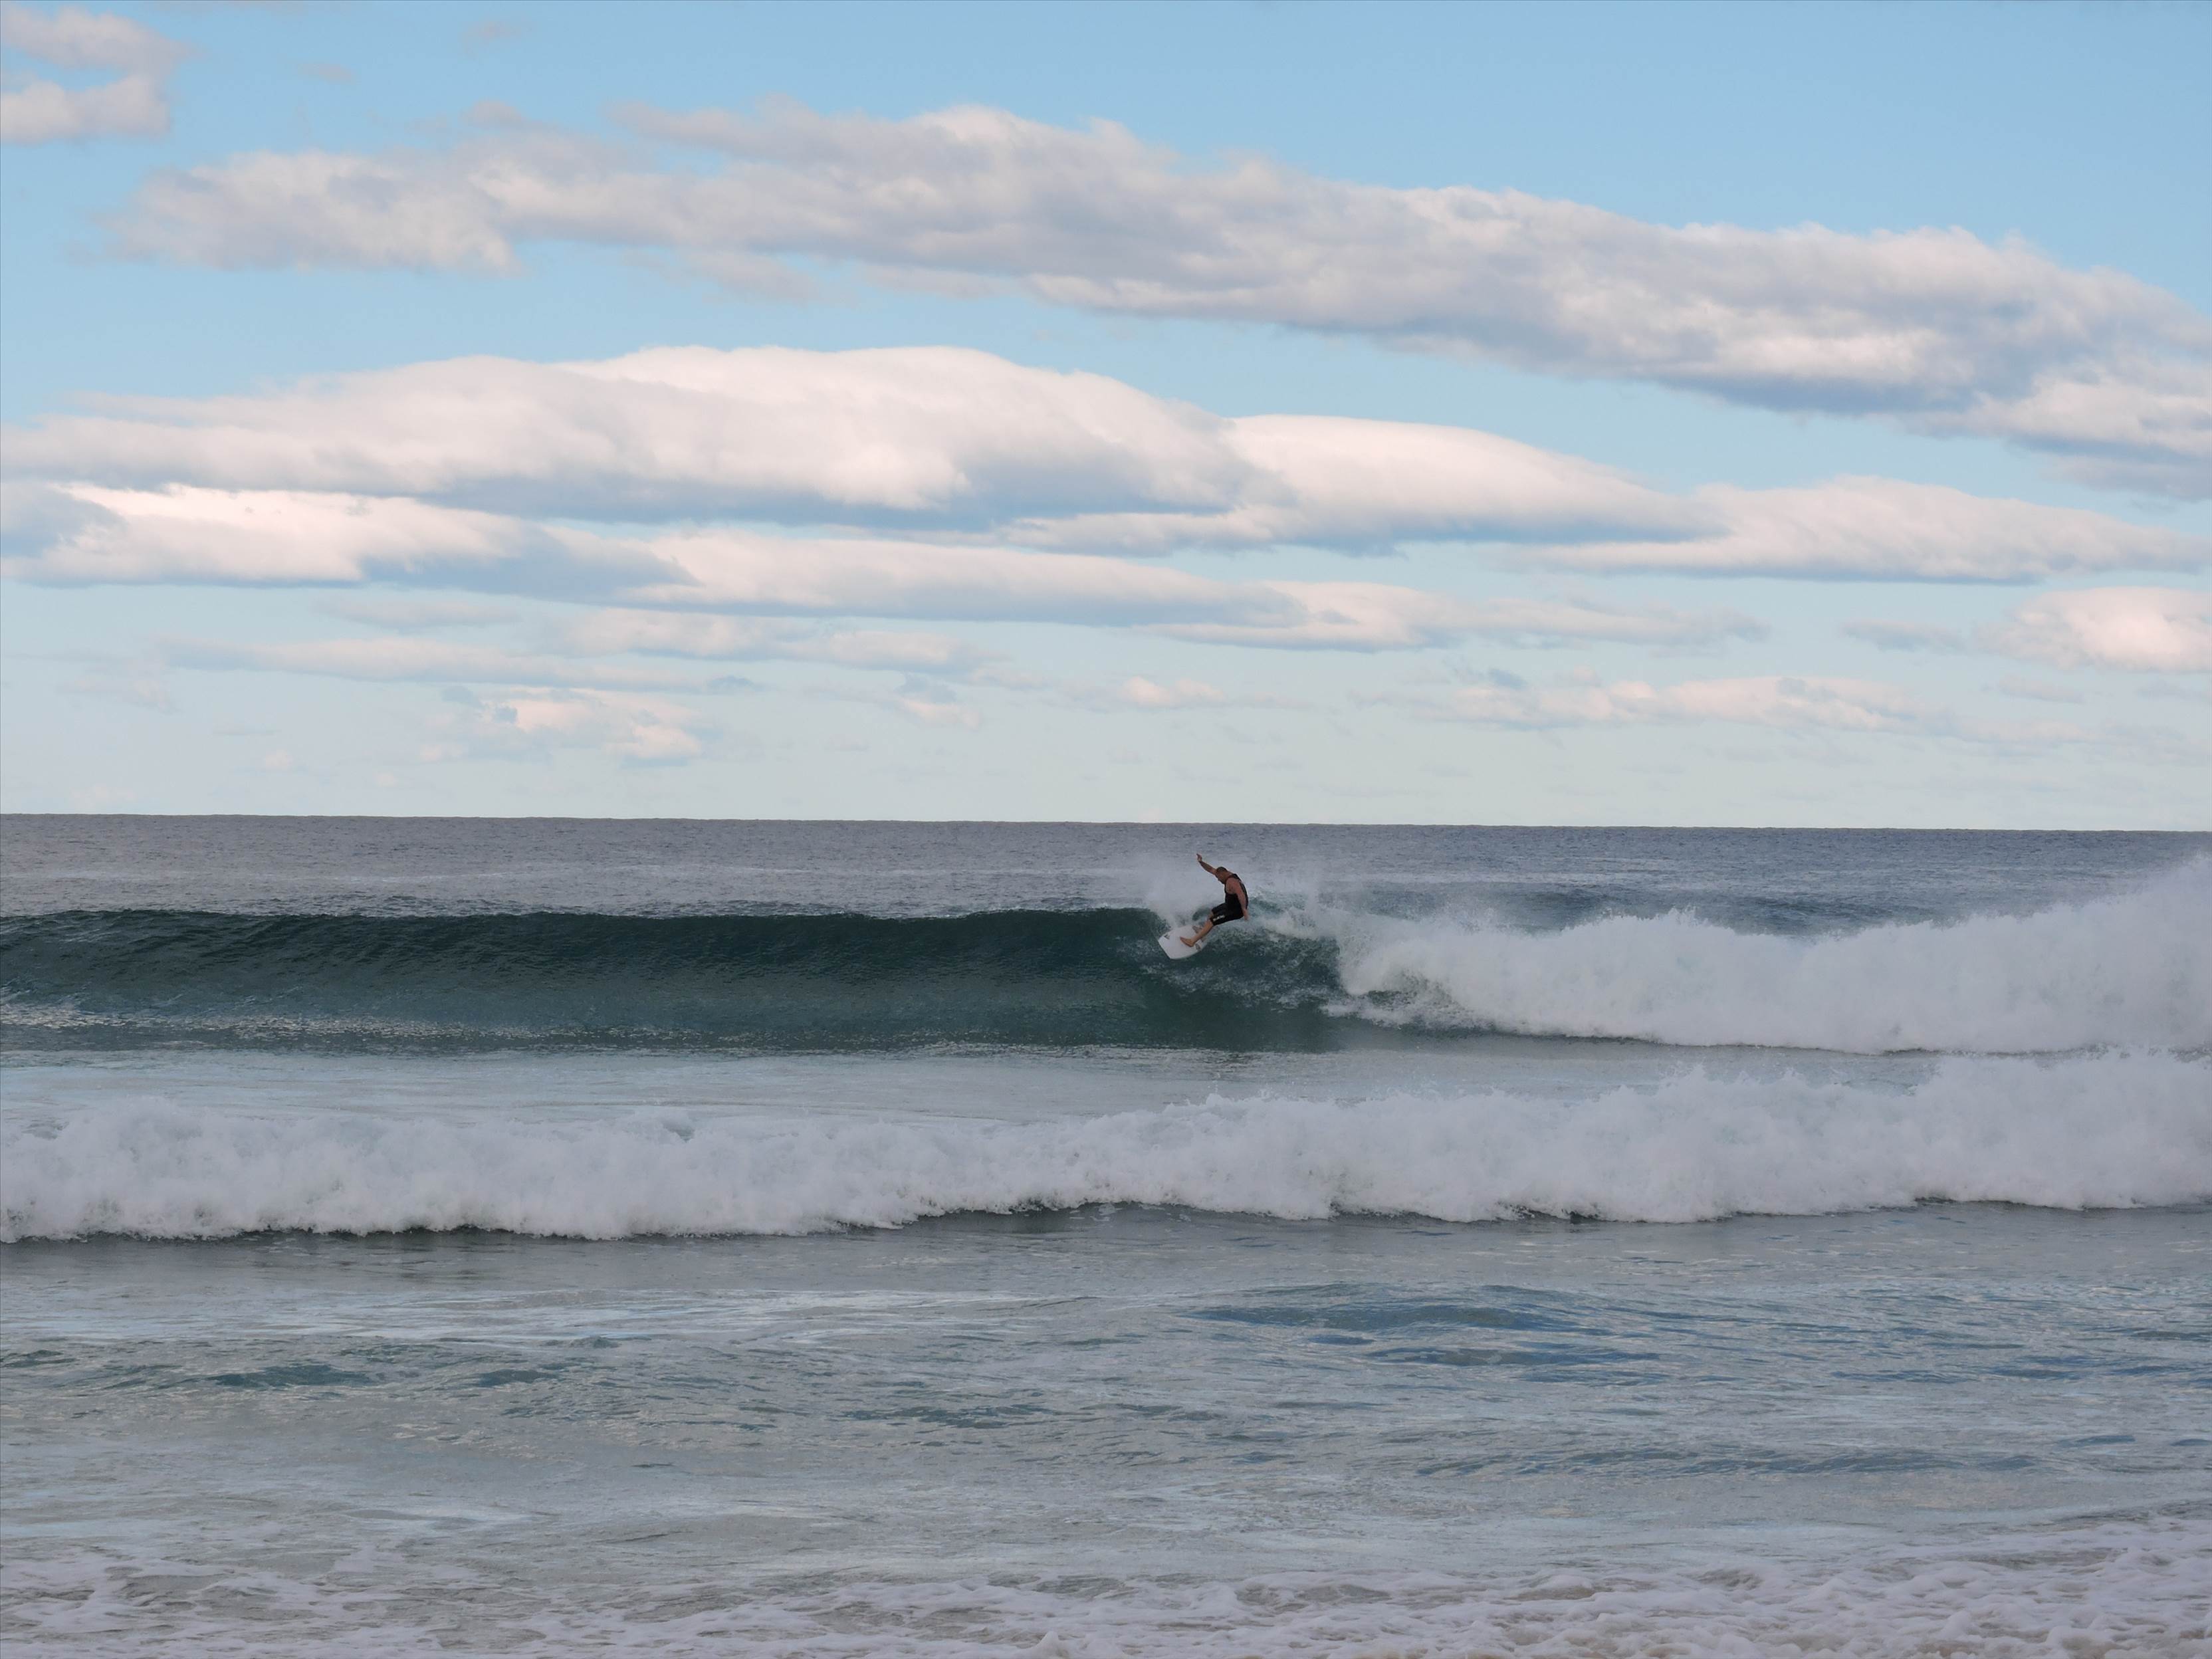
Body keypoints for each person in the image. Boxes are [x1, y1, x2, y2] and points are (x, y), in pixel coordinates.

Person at [1182, 854, 1250, 948]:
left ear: (1222, 874)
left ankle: (1192, 941)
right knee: (1212, 912)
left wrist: (1244, 910)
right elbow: (1211, 869)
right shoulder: (1226, 874)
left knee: (1212, 921)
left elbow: (1241, 894)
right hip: (1229, 905)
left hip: (1236, 911)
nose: (1218, 880)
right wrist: (1201, 862)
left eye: (1218, 878)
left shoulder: (1232, 882)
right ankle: (1203, 933)